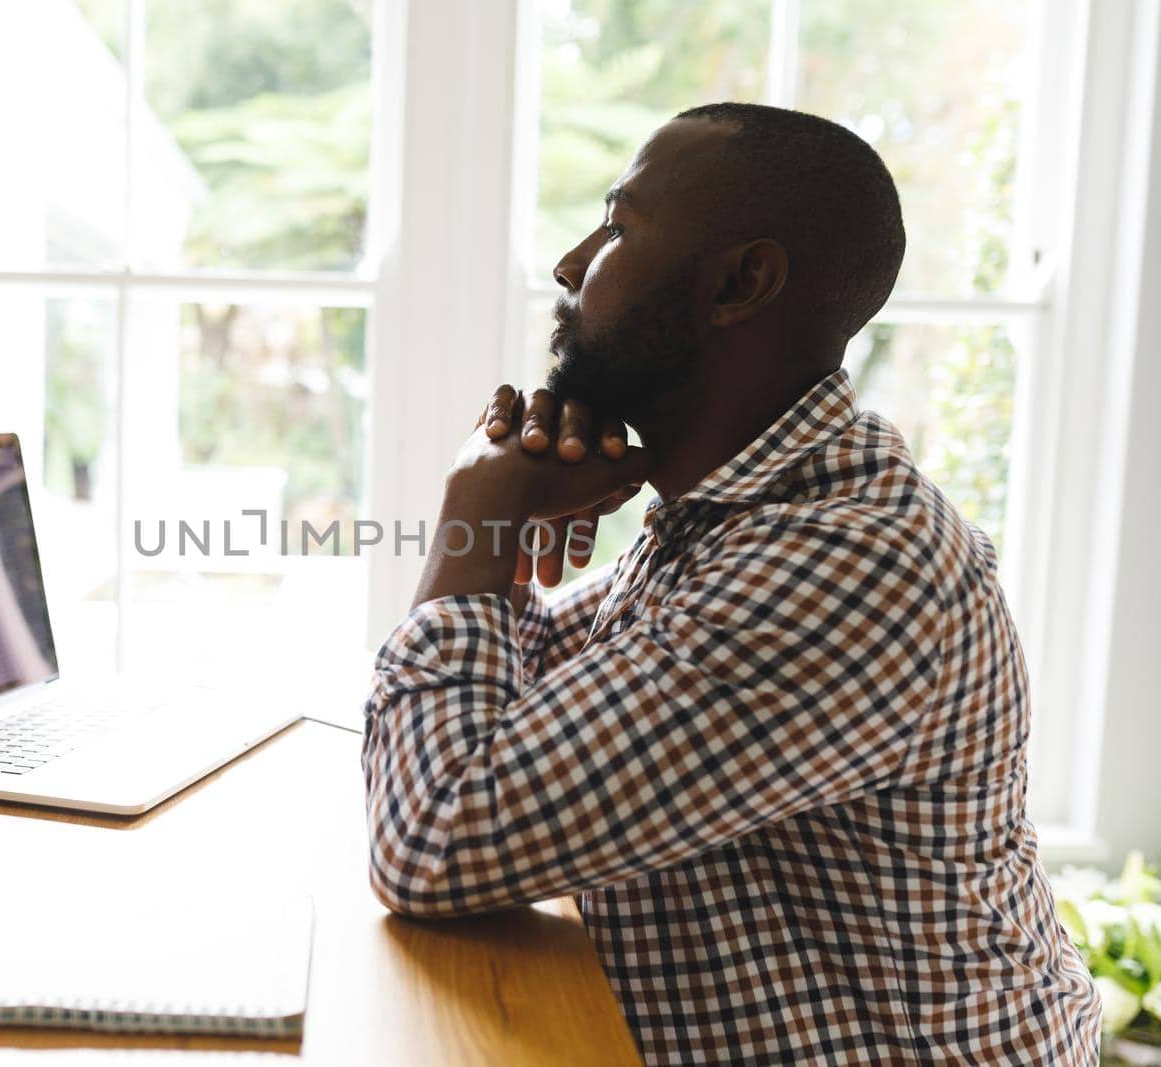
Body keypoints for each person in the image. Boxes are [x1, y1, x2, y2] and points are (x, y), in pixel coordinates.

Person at [361, 102, 1100, 1064]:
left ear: (741, 283)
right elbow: (511, 720)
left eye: (619, 226)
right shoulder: (740, 521)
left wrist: (479, 510)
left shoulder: (843, 568)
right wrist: (498, 537)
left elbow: (435, 834)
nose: (571, 263)